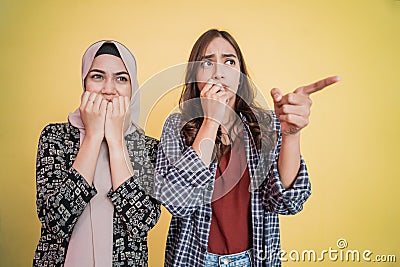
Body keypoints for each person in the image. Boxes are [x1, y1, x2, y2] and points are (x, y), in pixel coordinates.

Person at [154, 29, 340, 267]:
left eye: (229, 61)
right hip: (194, 260)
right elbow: (177, 202)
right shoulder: (176, 126)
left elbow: (288, 202)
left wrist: (291, 135)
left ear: (240, 75)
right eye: (207, 63)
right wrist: (211, 121)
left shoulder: (268, 124)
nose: (219, 72)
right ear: (194, 75)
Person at [33, 40, 160, 267]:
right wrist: (92, 137)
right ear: (84, 83)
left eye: (121, 78)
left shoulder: (147, 148)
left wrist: (115, 140)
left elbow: (141, 222)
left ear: (133, 88)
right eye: (97, 76)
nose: (108, 89)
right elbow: (56, 222)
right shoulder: (55, 137)